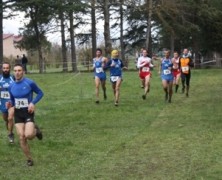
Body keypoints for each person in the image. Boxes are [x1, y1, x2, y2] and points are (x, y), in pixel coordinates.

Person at [7, 64, 44, 166]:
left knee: (29, 135)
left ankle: (36, 131)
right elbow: (13, 100)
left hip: (28, 112)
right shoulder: (11, 86)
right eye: (15, 71)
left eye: (19, 70)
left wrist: (32, 103)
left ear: (23, 72)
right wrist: (10, 103)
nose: (17, 72)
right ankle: (29, 159)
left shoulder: (29, 83)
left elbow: (40, 93)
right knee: (21, 137)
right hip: (18, 113)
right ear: (13, 72)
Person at [0, 62, 15, 143]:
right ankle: (11, 132)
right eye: (4, 68)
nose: (5, 69)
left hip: (11, 101)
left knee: (10, 118)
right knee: (6, 119)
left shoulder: (13, 78)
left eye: (7, 68)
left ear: (9, 69)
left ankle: (10, 135)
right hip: (2, 102)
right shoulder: (0, 78)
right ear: (2, 69)